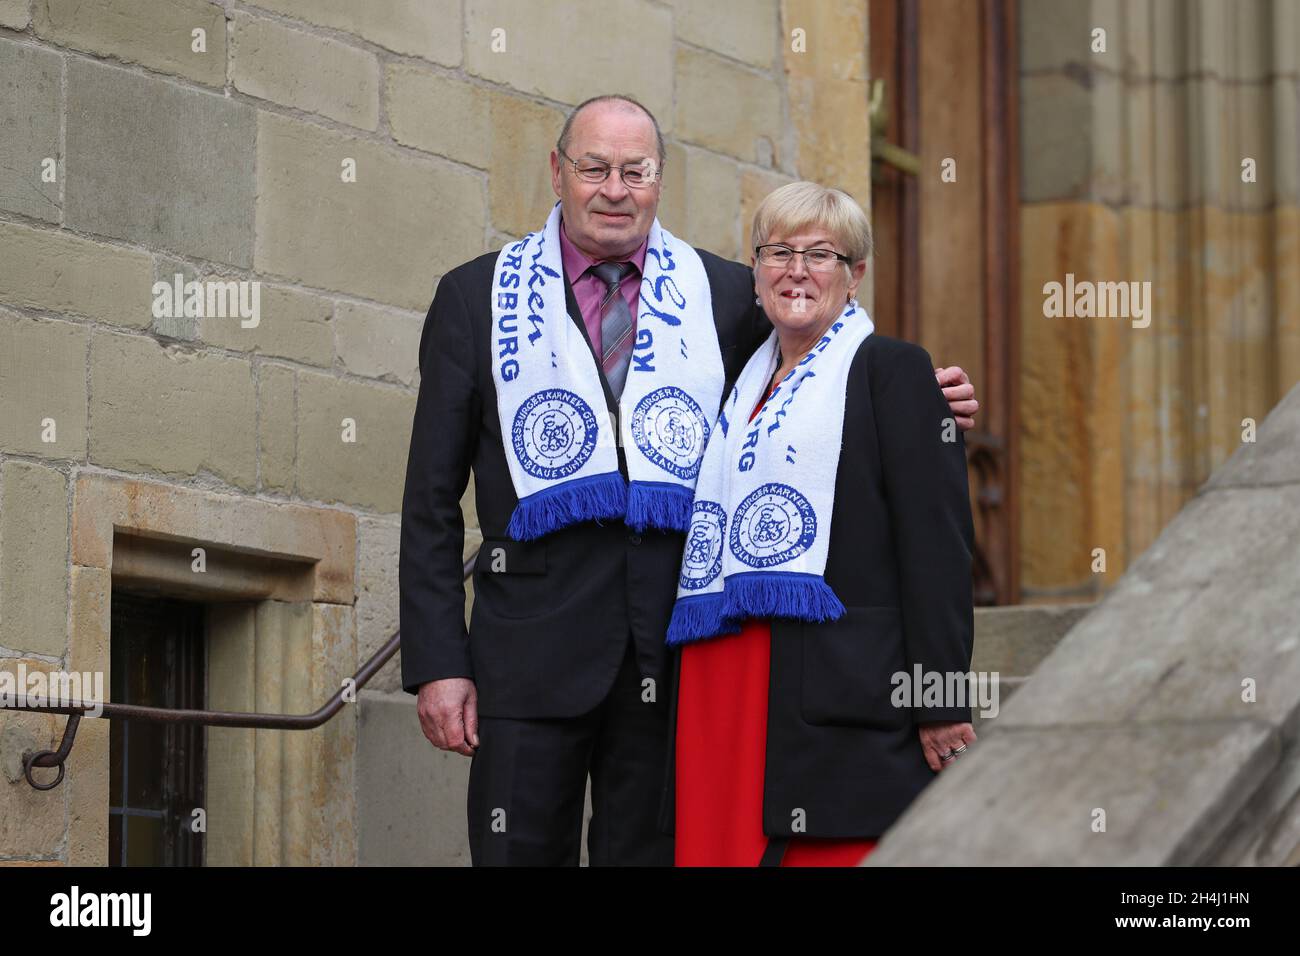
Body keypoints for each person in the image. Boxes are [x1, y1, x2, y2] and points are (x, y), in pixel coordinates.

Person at [399, 95, 980, 866]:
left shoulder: (724, 293)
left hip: (670, 660)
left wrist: (927, 403)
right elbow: (430, 502)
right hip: (528, 661)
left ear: (659, 180)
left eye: (635, 171)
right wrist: (439, 663)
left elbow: (816, 376)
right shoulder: (475, 300)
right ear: (557, 172)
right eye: (595, 168)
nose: (615, 188)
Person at [664, 181, 977, 867]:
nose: (797, 269)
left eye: (821, 254)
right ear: (756, 271)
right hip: (721, 669)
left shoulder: (892, 373)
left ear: (854, 275)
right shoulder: (735, 381)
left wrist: (942, 695)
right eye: (779, 251)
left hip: (836, 679)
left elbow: (938, 549)